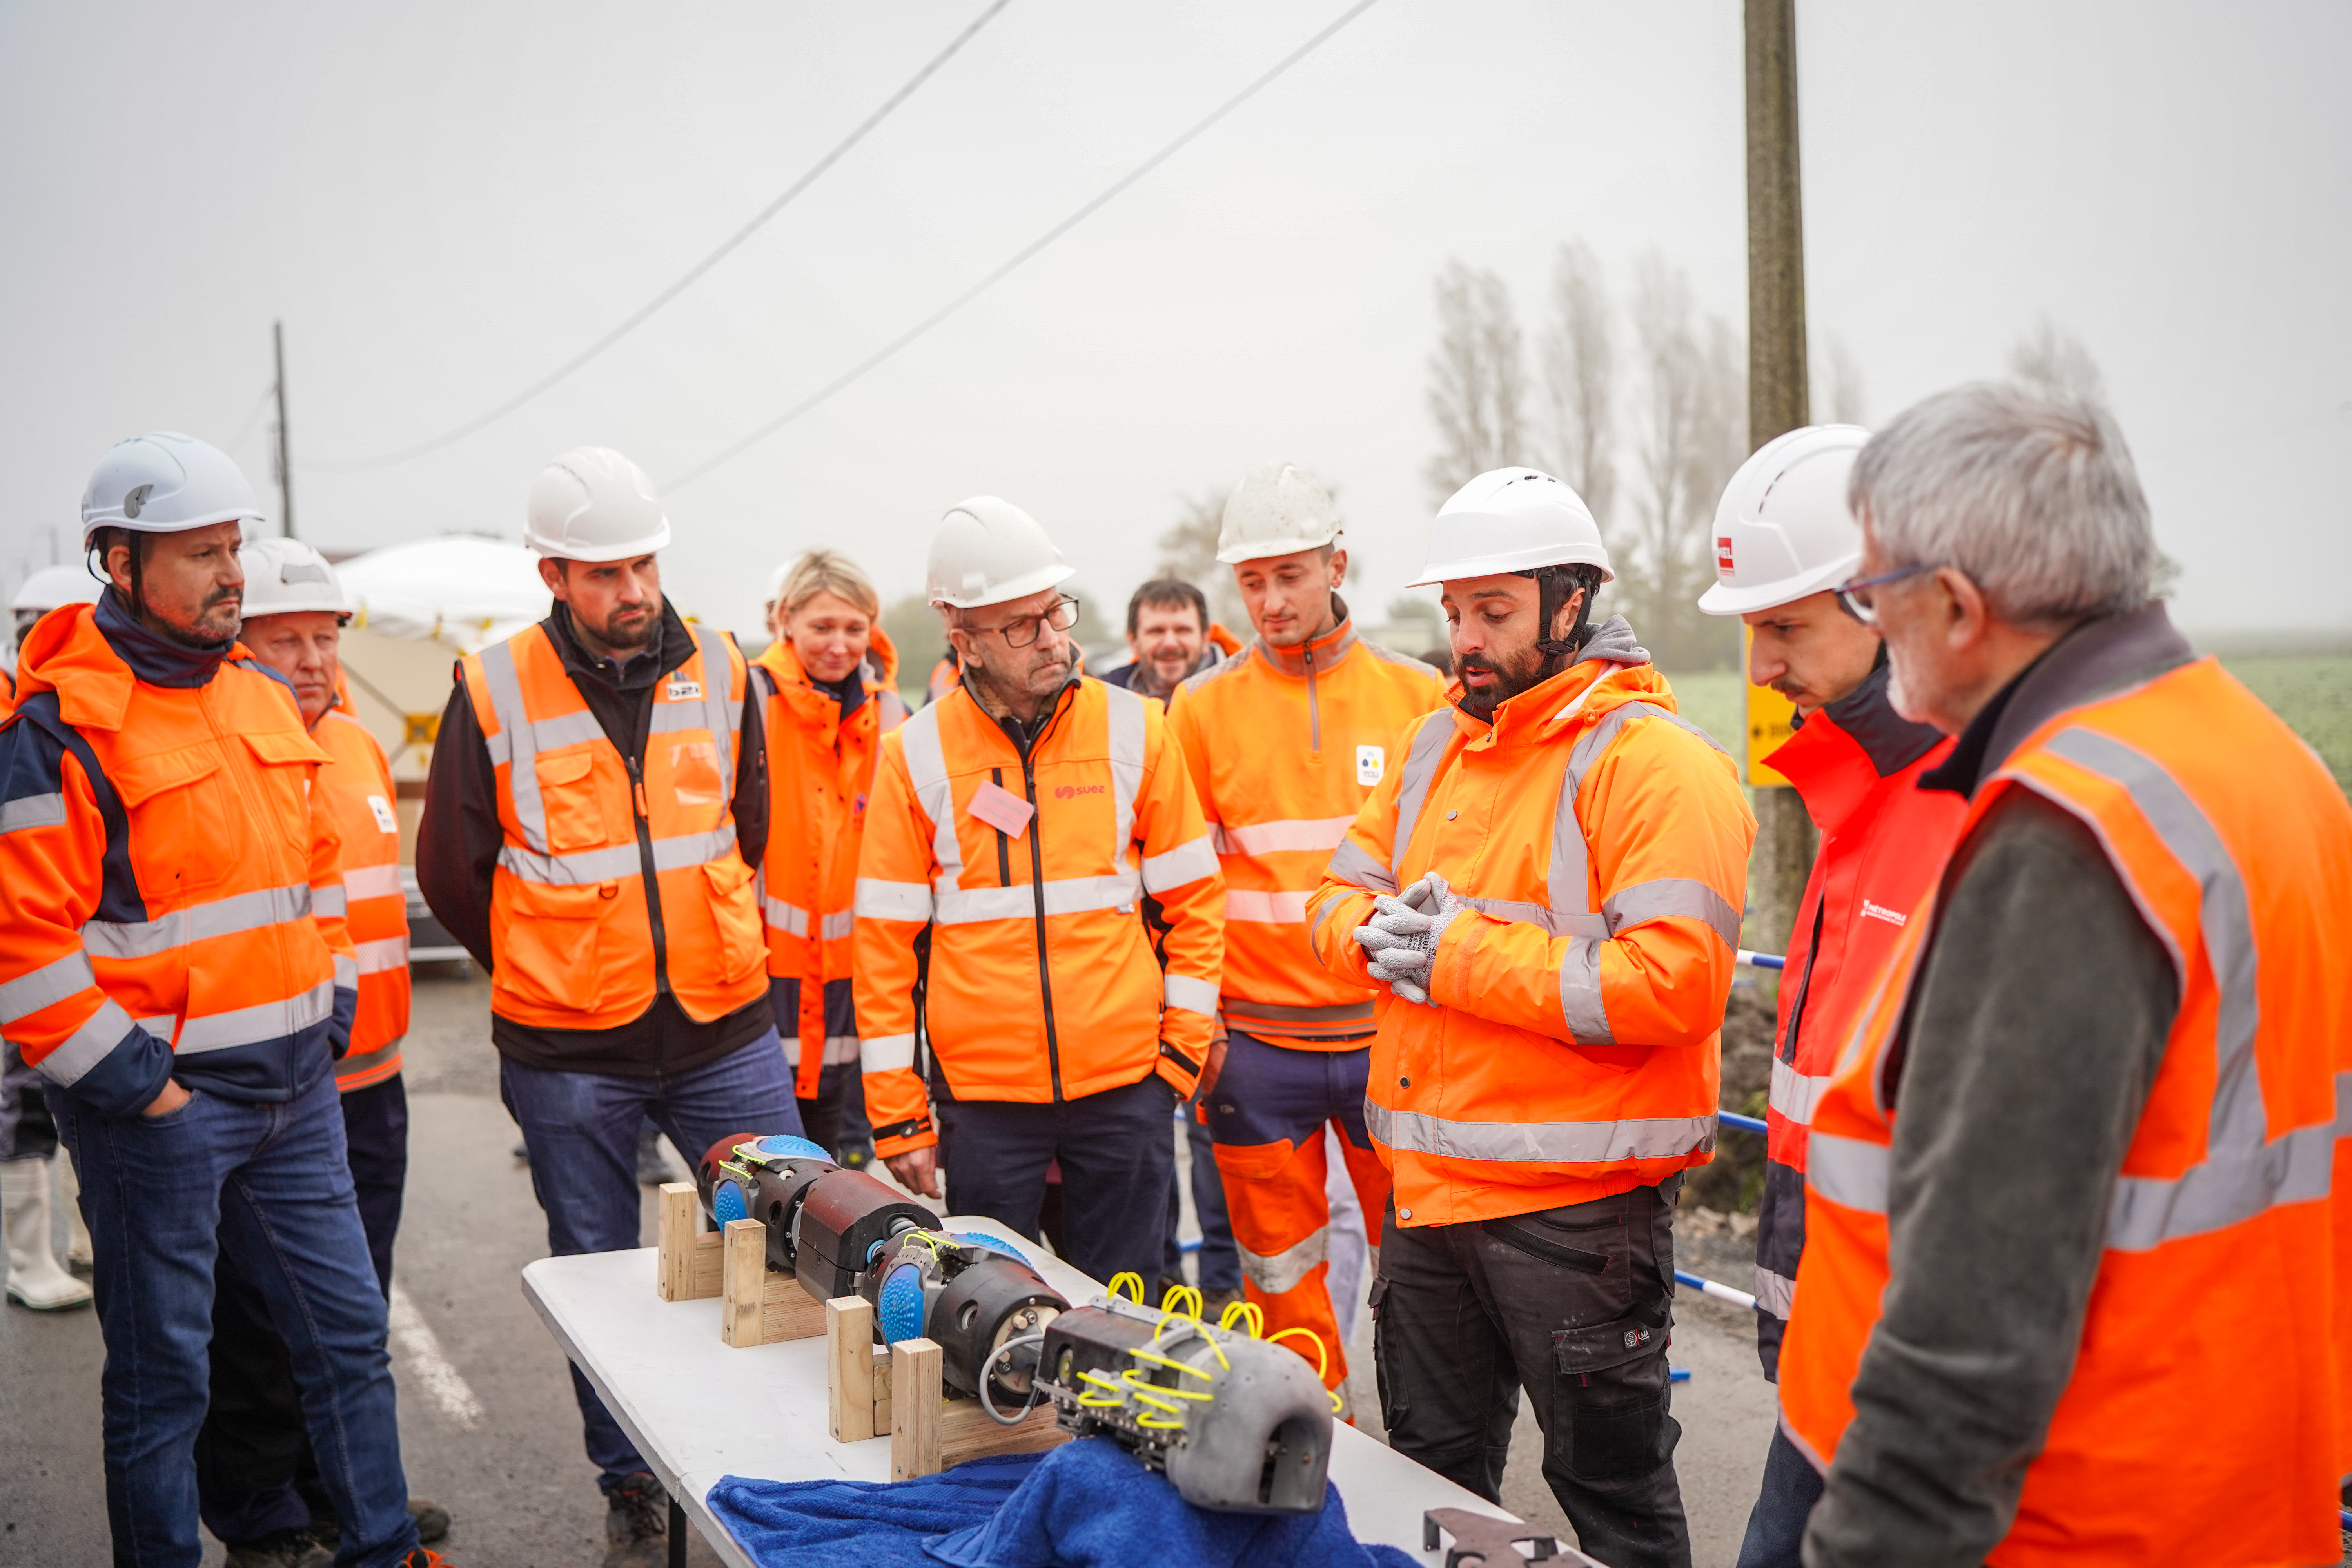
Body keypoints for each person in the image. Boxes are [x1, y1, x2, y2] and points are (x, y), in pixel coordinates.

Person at [1776, 384, 2352, 1566]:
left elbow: (1970, 1325)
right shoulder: (2261, 761)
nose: (1865, 620)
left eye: (1866, 591)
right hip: (2240, 1491)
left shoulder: (2071, 835)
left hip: (2072, 1520)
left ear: (1953, 605)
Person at [0, 432, 443, 1568]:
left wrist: (334, 1000)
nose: (229, 575)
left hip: (302, 1100)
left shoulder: (256, 697)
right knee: (166, 1389)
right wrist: (149, 1097)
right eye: (198, 554)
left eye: (230, 549)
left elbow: (318, 884)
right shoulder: (59, 730)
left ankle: (384, 1550)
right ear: (119, 563)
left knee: (350, 1344)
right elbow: (25, 954)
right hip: (164, 1122)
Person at [1310, 467, 1755, 1568]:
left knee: (1611, 1494)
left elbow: (1677, 985)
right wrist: (1364, 938)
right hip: (1429, 1203)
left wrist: (1452, 955)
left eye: (1493, 612)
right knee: (1428, 1476)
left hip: (1578, 1218)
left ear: (1572, 605)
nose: (1465, 638)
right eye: (1454, 612)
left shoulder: (1658, 767)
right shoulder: (1434, 746)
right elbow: (1333, 896)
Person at [416, 446, 797, 1551]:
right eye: (602, 574)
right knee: (601, 1272)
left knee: (779, 1242)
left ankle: (762, 1445)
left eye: (642, 566)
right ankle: (629, 1475)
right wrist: (550, 963)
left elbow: (749, 825)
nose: (631, 592)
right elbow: (453, 870)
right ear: (554, 578)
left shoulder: (726, 668)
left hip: (726, 1025)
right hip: (568, 1049)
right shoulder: (489, 688)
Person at [1690, 428, 1968, 1568]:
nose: (1758, 666)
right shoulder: (1858, 815)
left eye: (1781, 627)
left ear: (1889, 604)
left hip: (1919, 1405)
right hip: (1832, 1374)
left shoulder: (1974, 823)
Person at [853, 496, 1224, 1288]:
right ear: (964, 639)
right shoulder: (912, 756)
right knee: (991, 1313)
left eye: (1055, 611)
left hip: (1129, 1087)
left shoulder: (1139, 729)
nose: (1054, 637)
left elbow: (1197, 904)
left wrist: (1180, 1055)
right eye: (1021, 624)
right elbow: (883, 948)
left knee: (1130, 1315)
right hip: (983, 1103)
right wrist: (897, 1111)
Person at [189, 537, 446, 1566]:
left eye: (323, 638)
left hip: (373, 1082)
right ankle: (261, 1515)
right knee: (252, 1323)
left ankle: (335, 1493)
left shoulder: (358, 747)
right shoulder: (220, 753)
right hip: (273, 1094)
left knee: (349, 1314)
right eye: (283, 639)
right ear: (235, 642)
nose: (310, 660)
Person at [1164, 460, 1443, 1394]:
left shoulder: (1418, 697)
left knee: (1425, 1275)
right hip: (1256, 1053)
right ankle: (1312, 1462)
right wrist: (1199, 1027)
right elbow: (1178, 893)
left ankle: (1430, 1455)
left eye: (1289, 575)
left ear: (1337, 566)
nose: (1270, 600)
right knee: (1281, 1284)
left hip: (1390, 1038)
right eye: (1251, 581)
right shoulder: (1198, 709)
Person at [753, 549, 904, 1157]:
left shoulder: (891, 716)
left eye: (853, 628)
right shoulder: (747, 702)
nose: (839, 645)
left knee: (837, 1186)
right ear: (786, 621)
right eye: (822, 627)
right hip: (762, 983)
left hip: (854, 989)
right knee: (757, 1183)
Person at [2, 562, 105, 1311]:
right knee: (27, 1100)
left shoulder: (99, 715)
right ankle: (27, 1259)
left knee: (91, 1092)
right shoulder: (19, 722)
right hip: (26, 945)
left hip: (97, 950)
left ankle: (80, 1237)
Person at [1099, 577, 1240, 701]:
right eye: (1156, 631)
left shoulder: (1242, 695)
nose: (1170, 644)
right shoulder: (1104, 700)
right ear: (1133, 641)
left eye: (1183, 630)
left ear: (1205, 638)